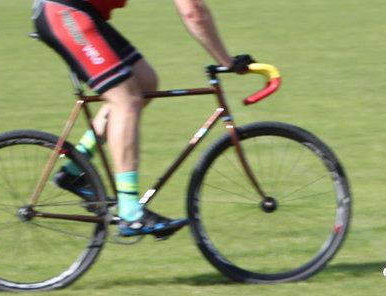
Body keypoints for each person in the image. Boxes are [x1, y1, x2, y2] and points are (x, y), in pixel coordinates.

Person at [31, 0, 254, 238]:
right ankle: (130, 213)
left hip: (79, 13)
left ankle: (74, 171)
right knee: (126, 101)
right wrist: (227, 61)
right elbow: (193, 12)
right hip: (66, 12)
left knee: (145, 82)